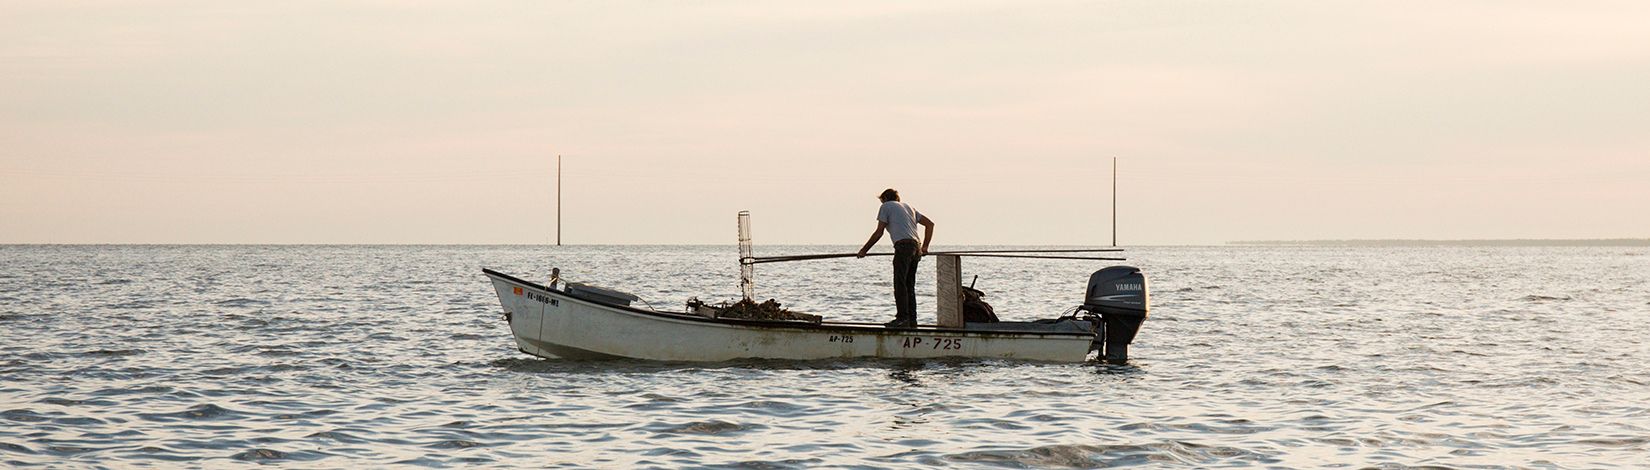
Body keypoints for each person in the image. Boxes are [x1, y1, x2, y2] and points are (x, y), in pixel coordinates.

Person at [856, 188, 934, 328]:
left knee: (900, 284)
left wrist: (864, 250)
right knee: (909, 285)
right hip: (916, 247)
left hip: (903, 246)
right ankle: (912, 320)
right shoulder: (909, 207)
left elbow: (879, 232)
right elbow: (930, 224)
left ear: (885, 198)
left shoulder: (886, 206)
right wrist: (925, 247)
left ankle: (902, 318)